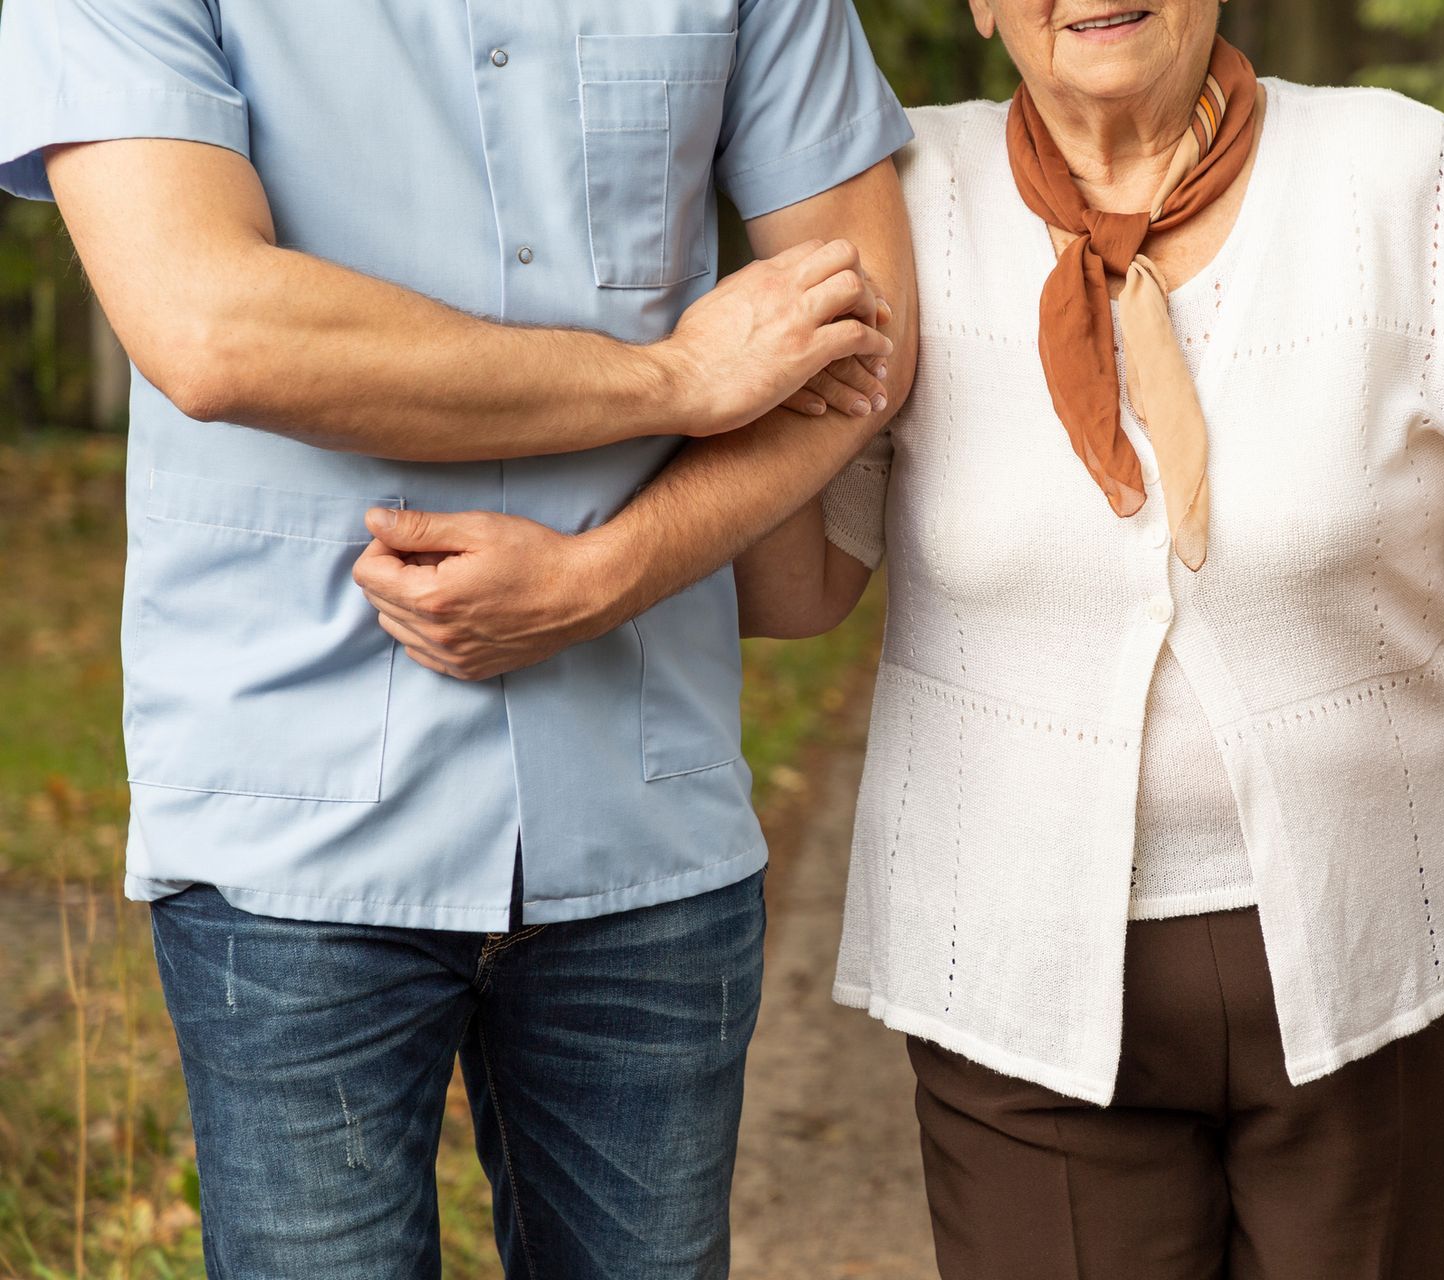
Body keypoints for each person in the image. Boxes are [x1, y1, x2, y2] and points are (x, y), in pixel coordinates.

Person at [731, 1, 1444, 1276]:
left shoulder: (1391, 174)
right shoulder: (899, 200)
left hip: (1378, 962)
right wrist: (745, 391)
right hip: (1013, 986)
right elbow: (805, 584)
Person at [0, 0, 916, 1274]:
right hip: (292, 842)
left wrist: (605, 575)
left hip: (641, 824)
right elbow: (210, 326)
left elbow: (869, 331)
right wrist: (672, 381)